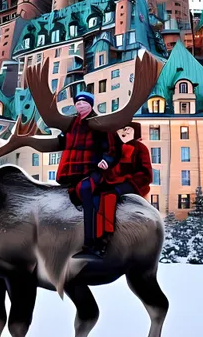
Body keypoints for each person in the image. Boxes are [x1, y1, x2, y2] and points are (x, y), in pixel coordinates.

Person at [56, 91, 120, 259]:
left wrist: (106, 159)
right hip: (73, 171)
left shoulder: (99, 123)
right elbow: (66, 143)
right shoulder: (72, 124)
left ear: (91, 105)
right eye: (78, 103)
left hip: (93, 170)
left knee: (86, 191)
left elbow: (112, 147)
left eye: (84, 102)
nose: (81, 105)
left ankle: (92, 243)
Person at [94, 122, 153, 251]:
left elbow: (146, 173)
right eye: (121, 128)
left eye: (127, 129)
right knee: (99, 196)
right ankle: (98, 232)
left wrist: (129, 181)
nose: (124, 132)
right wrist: (106, 169)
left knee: (109, 196)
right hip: (116, 183)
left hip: (134, 184)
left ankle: (106, 234)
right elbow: (113, 171)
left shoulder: (140, 148)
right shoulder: (116, 150)